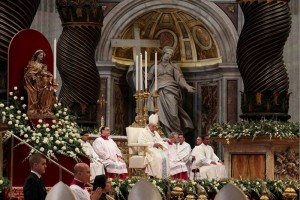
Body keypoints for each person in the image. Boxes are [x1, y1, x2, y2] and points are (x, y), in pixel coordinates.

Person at [147, 46, 196, 135]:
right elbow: (148, 79)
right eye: (167, 53)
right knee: (157, 113)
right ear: (163, 54)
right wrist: (145, 77)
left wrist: (187, 86)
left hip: (171, 90)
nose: (168, 56)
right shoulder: (155, 66)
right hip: (157, 91)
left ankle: (175, 133)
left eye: (170, 54)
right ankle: (161, 133)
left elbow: (180, 79)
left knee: (173, 113)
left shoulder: (174, 66)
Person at [24, 49, 56, 117]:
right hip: (35, 84)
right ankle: (38, 109)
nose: (42, 57)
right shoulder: (32, 64)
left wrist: (49, 78)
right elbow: (27, 74)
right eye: (40, 55)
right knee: (38, 93)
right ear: (37, 55)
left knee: (49, 90)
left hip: (43, 83)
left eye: (42, 55)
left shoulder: (43, 65)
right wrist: (32, 76)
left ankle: (44, 109)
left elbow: (46, 74)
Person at [138, 114, 169, 178]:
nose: (154, 128)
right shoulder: (143, 132)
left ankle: (163, 177)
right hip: (148, 150)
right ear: (149, 126)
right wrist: (153, 144)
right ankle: (155, 176)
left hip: (157, 149)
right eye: (153, 126)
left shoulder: (156, 133)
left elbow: (161, 141)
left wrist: (160, 144)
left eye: (155, 127)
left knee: (166, 157)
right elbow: (141, 143)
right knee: (157, 157)